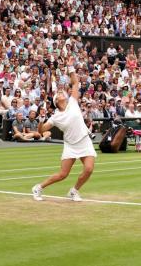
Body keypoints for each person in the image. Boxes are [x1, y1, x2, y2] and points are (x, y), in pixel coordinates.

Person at [32, 65, 96, 202]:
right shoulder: (55, 117)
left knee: (89, 169)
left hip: (84, 141)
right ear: (56, 101)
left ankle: (74, 191)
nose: (62, 93)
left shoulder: (73, 102)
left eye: (62, 93)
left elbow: (76, 82)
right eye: (59, 94)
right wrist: (41, 120)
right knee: (63, 174)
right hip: (71, 145)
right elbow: (41, 131)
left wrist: (71, 67)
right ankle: (38, 187)